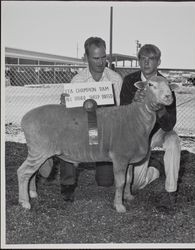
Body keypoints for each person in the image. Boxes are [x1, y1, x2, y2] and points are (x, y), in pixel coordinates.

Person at [39, 37, 123, 201]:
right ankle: (67, 184)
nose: (100, 62)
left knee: (105, 182)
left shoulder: (116, 79)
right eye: (95, 58)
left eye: (103, 57)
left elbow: (119, 112)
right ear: (86, 58)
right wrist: (65, 103)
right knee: (67, 138)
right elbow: (71, 114)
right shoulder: (77, 80)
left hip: (105, 130)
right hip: (83, 128)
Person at [120, 44, 181, 210]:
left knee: (173, 140)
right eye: (143, 58)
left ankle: (171, 192)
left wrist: (160, 108)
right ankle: (155, 167)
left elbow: (169, 125)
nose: (146, 62)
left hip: (158, 131)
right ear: (139, 61)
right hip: (139, 135)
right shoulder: (130, 81)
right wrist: (135, 102)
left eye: (151, 59)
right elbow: (123, 116)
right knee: (135, 185)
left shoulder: (165, 84)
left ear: (159, 61)